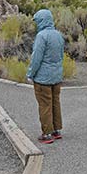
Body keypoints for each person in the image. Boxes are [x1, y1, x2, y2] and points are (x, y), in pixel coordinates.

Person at [27, 9, 65, 144]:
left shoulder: (41, 36)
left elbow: (36, 57)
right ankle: (56, 130)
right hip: (56, 76)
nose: (36, 23)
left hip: (43, 78)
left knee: (44, 105)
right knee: (55, 103)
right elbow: (61, 56)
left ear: (42, 20)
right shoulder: (58, 35)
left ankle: (47, 133)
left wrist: (30, 74)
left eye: (37, 20)